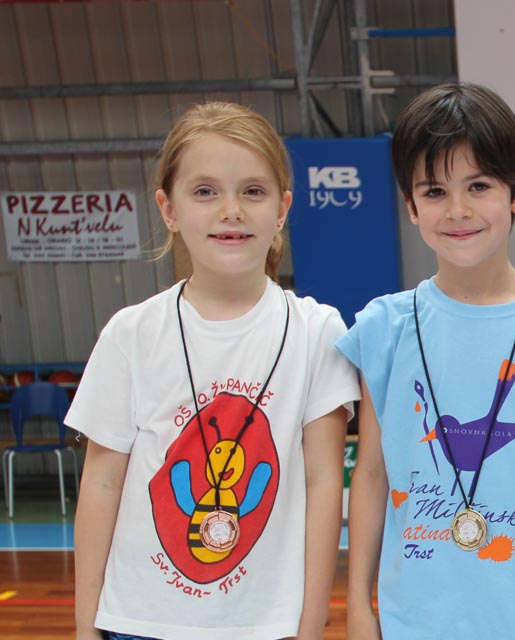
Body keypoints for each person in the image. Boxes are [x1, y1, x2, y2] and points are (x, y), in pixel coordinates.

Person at [337, 82, 515, 640]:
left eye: (479, 185)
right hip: (412, 621)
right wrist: (358, 607)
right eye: (434, 191)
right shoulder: (383, 327)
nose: (458, 210)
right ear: (411, 205)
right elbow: (371, 472)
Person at [69, 101, 360, 640]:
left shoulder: (316, 331)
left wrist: (311, 622)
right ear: (168, 209)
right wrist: (86, 628)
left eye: (253, 191)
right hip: (140, 621)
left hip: (268, 624)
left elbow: (323, 483)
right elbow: (102, 484)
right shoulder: (131, 334)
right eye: (205, 191)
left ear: (282, 207)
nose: (231, 210)